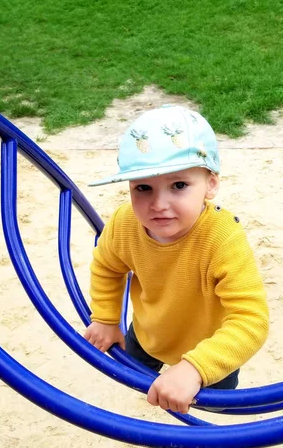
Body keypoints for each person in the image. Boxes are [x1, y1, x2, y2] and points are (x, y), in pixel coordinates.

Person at [84, 105, 269, 414]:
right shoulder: (125, 222)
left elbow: (251, 320)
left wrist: (196, 368)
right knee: (136, 378)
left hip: (209, 344)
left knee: (211, 408)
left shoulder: (223, 238)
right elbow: (107, 265)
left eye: (179, 185)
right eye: (143, 187)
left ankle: (204, 391)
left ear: (211, 184)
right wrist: (105, 317)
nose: (158, 204)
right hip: (148, 332)